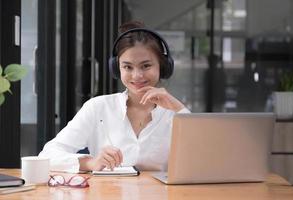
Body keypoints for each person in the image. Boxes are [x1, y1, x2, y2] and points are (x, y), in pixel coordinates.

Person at [38, 21, 190, 173]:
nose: (137, 76)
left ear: (162, 66)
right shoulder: (97, 107)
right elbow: (47, 156)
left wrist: (179, 109)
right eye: (127, 67)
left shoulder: (176, 114)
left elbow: (208, 160)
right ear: (117, 69)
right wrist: (91, 163)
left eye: (146, 66)